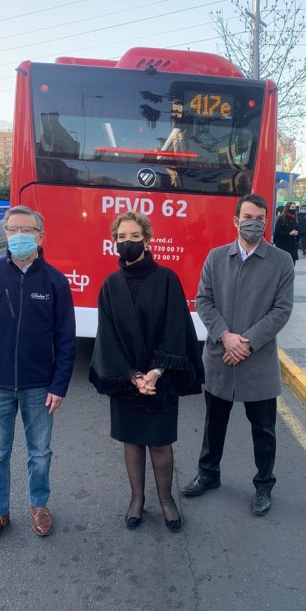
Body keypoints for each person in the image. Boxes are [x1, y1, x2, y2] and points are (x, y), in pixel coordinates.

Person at [0, 205, 76, 547]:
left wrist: (59, 384)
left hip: (40, 385)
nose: (19, 235)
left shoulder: (55, 281)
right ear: (5, 234)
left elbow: (66, 339)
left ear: (41, 236)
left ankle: (39, 506)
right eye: (12, 229)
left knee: (40, 452)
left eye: (27, 230)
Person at [89, 212, 203, 532]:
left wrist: (154, 372)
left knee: (160, 442)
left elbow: (176, 329)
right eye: (122, 237)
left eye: (134, 236)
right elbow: (107, 337)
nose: (128, 242)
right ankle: (137, 499)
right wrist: (132, 376)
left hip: (160, 378)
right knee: (133, 442)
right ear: (114, 241)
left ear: (147, 239)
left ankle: (166, 500)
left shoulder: (167, 278)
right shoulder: (110, 285)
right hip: (128, 382)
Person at [182, 194, 294, 516]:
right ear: (235, 220)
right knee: (213, 423)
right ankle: (209, 473)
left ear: (266, 221)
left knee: (263, 430)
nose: (253, 222)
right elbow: (203, 300)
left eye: (260, 217)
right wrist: (225, 336)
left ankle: (263, 486)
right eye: (247, 216)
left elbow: (282, 310)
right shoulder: (216, 258)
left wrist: (246, 342)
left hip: (257, 362)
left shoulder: (281, 262)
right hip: (220, 357)